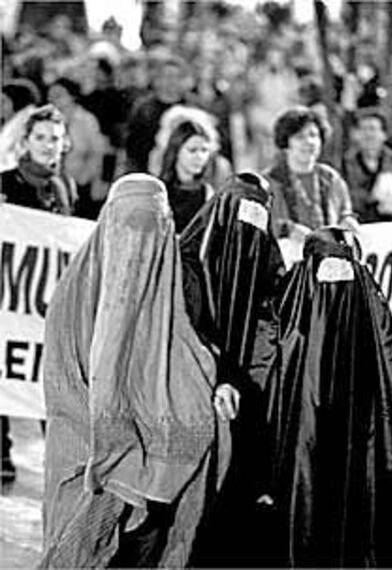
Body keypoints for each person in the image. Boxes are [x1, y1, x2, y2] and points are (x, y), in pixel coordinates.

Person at [39, 173, 231, 568]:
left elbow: (195, 353)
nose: (138, 242)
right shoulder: (71, 297)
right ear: (109, 221)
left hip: (156, 438)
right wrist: (108, 438)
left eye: (150, 228)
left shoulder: (185, 281)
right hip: (84, 436)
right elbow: (62, 385)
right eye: (130, 225)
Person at [259, 226, 392, 568]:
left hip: (358, 442)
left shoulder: (370, 320)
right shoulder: (287, 325)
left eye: (343, 270)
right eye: (327, 270)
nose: (336, 283)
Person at [179, 172, 286, 566]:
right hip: (199, 389)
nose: (250, 228)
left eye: (260, 217)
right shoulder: (188, 263)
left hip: (247, 393)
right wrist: (216, 375)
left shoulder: (268, 262)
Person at [0, 104, 76, 486]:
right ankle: (1, 450)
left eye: (55, 139)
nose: (48, 146)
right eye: (41, 138)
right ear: (26, 142)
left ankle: (57, 451)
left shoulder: (65, 188)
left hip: (47, 301)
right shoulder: (5, 184)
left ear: (65, 145)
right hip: (8, 299)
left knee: (47, 370)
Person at [263, 106, 358, 256]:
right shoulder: (268, 182)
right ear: (286, 144)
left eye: (314, 135)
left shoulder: (331, 178)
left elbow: (345, 211)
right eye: (300, 137)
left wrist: (348, 221)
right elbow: (260, 224)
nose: (309, 142)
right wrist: (288, 229)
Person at [47, 77, 105, 219]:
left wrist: (87, 179)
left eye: (59, 94)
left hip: (78, 181)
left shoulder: (86, 120)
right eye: (50, 95)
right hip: (50, 182)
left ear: (72, 96)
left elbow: (96, 153)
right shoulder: (46, 119)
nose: (53, 99)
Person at [342, 107, 392, 222]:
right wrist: (373, 199)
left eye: (373, 129)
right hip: (362, 224)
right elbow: (342, 196)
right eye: (363, 129)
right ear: (356, 134)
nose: (368, 134)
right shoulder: (345, 163)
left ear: (384, 135)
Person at [125, 56, 191, 173]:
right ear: (157, 79)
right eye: (167, 76)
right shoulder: (143, 109)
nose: (171, 81)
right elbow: (132, 146)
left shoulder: (191, 109)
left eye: (176, 76)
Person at [159, 120, 216, 233]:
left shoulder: (206, 192)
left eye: (204, 150)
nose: (199, 157)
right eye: (192, 150)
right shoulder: (160, 191)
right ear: (176, 151)